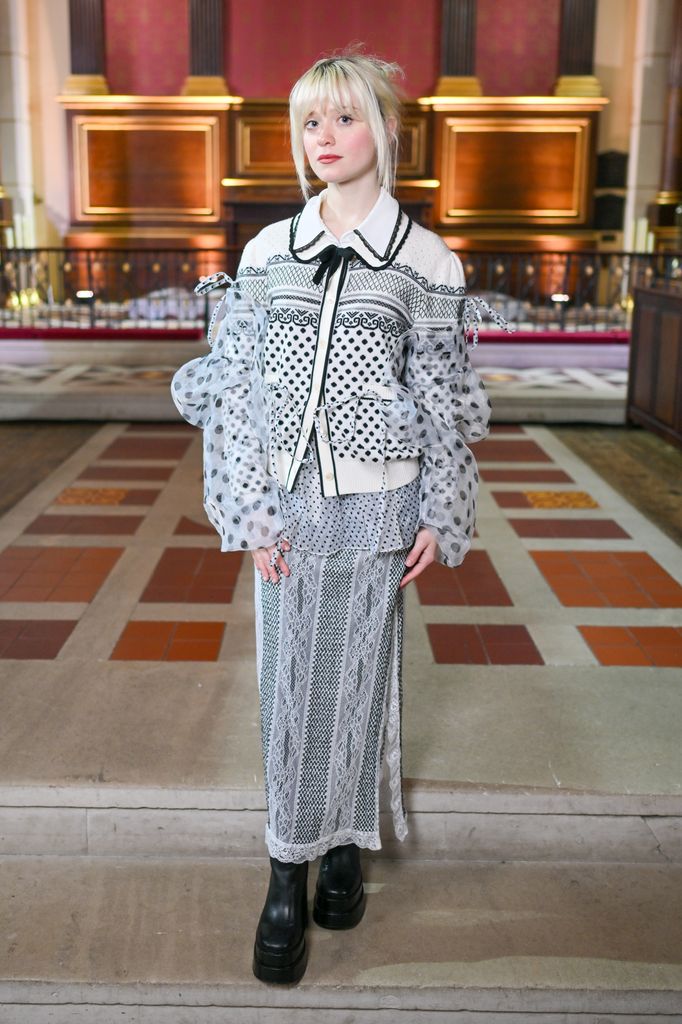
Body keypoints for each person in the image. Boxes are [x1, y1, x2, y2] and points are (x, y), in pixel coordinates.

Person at [170, 49, 510, 986]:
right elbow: (236, 394)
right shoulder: (265, 255)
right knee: (290, 684)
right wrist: (250, 512)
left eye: (345, 118)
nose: (326, 139)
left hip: (382, 500)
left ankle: (347, 850)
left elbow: (442, 397)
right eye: (311, 123)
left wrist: (441, 509)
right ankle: (289, 869)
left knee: (357, 671)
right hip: (286, 502)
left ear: (383, 130)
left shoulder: (427, 261)